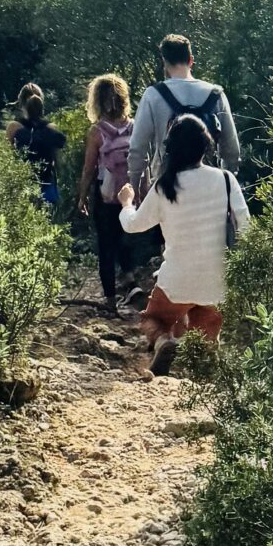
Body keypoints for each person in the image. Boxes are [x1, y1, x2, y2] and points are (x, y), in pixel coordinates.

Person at [116, 112, 250, 374]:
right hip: (217, 279)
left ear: (171, 148)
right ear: (205, 146)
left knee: (152, 320)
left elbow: (133, 225)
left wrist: (126, 203)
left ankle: (164, 341)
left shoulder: (164, 185)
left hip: (176, 280)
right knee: (206, 331)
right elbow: (246, 228)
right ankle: (206, 366)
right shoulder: (225, 180)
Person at [125, 34, 240, 194]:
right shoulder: (215, 94)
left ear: (164, 62)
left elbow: (138, 147)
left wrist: (135, 185)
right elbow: (231, 147)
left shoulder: (153, 95)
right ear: (191, 60)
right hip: (208, 185)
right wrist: (229, 180)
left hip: (166, 184)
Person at [77, 73, 134, 311]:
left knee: (106, 246)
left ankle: (110, 300)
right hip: (131, 195)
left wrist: (82, 196)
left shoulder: (97, 132)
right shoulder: (135, 126)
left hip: (106, 195)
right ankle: (132, 284)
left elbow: (89, 168)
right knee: (126, 240)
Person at [6, 83, 66, 209]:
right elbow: (57, 160)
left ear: (20, 103)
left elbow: (8, 157)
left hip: (22, 184)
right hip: (47, 182)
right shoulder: (51, 128)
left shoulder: (14, 127)